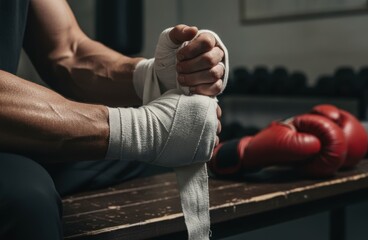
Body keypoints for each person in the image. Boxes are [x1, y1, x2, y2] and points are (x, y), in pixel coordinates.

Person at [0, 0, 228, 239]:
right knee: (27, 201)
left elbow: (68, 49)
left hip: (18, 131)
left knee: (145, 163)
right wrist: (144, 130)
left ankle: (229, 154)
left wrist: (154, 76)